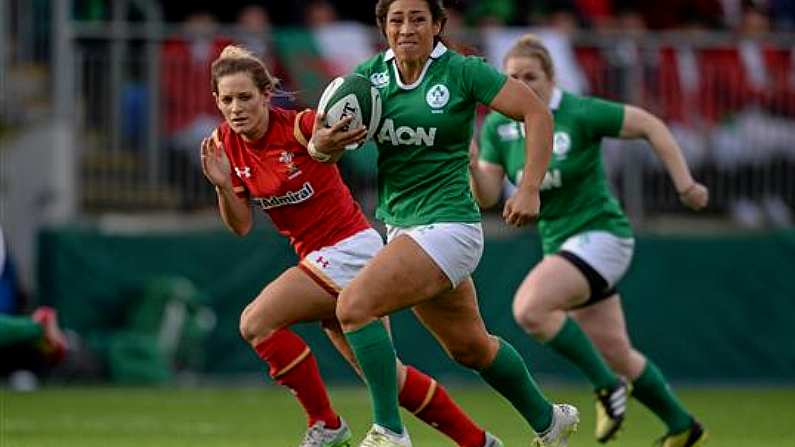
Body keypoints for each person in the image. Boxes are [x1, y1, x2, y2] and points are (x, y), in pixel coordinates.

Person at [202, 44, 503, 447]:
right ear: (217, 102)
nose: (236, 108)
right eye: (227, 100)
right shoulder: (227, 144)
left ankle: (326, 424)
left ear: (265, 96)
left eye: (245, 97)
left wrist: (327, 140)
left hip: (350, 247)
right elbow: (240, 225)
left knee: (256, 322)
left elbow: (327, 134)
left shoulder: (296, 125)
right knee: (386, 376)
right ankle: (479, 442)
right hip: (318, 258)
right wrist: (223, 187)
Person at [310, 2, 579, 446]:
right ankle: (550, 421)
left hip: (450, 226)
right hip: (401, 226)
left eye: (418, 18)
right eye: (396, 19)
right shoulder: (367, 80)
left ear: (437, 26)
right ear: (384, 27)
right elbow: (323, 145)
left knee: (354, 307)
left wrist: (529, 188)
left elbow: (537, 114)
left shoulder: (462, 72)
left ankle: (389, 432)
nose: (407, 27)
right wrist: (322, 144)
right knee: (470, 347)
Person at [469, 34, 709, 447]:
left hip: (602, 236)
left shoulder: (579, 112)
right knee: (618, 352)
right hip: (560, 246)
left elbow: (650, 124)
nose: (523, 85)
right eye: (514, 77)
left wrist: (684, 183)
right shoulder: (499, 125)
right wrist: (470, 161)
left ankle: (605, 387)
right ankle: (682, 425)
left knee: (529, 308)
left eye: (532, 76)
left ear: (552, 77)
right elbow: (488, 195)